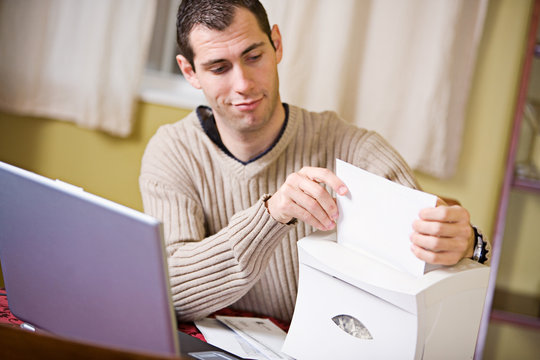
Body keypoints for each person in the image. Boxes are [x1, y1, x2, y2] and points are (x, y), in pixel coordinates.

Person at [139, 0, 489, 322]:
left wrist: (466, 245)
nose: (242, 83)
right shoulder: (171, 152)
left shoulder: (356, 149)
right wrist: (271, 215)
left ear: (276, 43)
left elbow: (420, 284)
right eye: (219, 68)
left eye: (253, 56)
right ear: (189, 72)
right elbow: (173, 295)